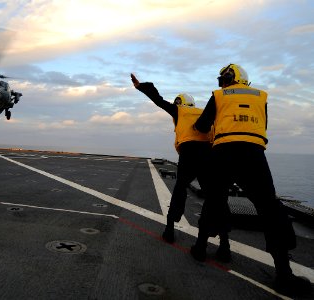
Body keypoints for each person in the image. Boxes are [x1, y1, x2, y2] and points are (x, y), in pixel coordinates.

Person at [190, 63, 312, 296]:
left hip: (223, 152)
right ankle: (284, 274)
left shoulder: (219, 95)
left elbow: (203, 125)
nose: (222, 84)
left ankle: (201, 247)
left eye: (222, 80)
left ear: (226, 79)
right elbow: (262, 126)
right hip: (254, 156)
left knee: (214, 200)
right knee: (270, 209)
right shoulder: (260, 97)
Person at [131, 73, 231, 261]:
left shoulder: (179, 111)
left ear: (180, 103)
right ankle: (225, 245)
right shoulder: (203, 110)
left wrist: (141, 86)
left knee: (180, 190)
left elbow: (158, 100)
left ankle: (169, 229)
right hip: (209, 154)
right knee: (216, 198)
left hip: (189, 153)